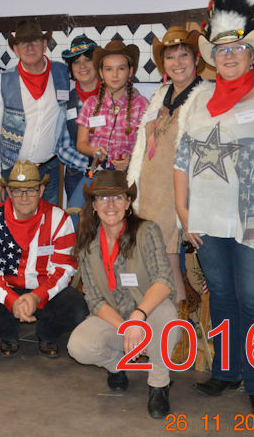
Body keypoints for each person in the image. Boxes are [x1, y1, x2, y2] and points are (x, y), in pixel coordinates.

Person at [174, 0, 254, 415]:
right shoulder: (198, 99)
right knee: (220, 295)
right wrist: (184, 214)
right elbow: (181, 160)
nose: (229, 56)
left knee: (253, 297)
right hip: (206, 216)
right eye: (222, 49)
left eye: (237, 48)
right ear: (213, 55)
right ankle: (226, 371)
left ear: (251, 53)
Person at [67, 170, 178, 419]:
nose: (111, 205)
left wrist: (138, 317)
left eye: (118, 198)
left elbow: (164, 280)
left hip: (150, 313)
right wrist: (125, 326)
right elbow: (94, 299)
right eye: (103, 199)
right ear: (94, 205)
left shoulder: (147, 232)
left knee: (167, 315)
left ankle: (158, 385)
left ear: (128, 203)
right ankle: (117, 364)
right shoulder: (87, 242)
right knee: (79, 346)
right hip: (116, 318)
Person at [127, 26, 212, 303]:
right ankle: (157, 318)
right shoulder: (160, 94)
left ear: (196, 59)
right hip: (149, 189)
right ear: (163, 63)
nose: (177, 63)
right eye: (171, 57)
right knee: (151, 258)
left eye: (183, 56)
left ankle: (180, 324)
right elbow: (143, 144)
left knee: (170, 261)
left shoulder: (205, 95)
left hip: (178, 190)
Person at [0, 160, 88, 358]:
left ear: (42, 190)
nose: (24, 197)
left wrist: (36, 296)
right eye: (17, 191)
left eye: (31, 190)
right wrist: (12, 300)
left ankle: (46, 333)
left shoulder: (59, 218)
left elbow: (64, 269)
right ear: (8, 192)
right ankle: (9, 332)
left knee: (79, 310)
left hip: (45, 289)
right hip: (8, 287)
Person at [0, 20, 69, 206]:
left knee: (47, 225)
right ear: (16, 49)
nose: (30, 47)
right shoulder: (2, 82)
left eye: (35, 41)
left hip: (49, 171)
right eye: (23, 43)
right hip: (12, 171)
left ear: (45, 45)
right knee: (13, 228)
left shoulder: (62, 73)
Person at [72, 40, 149, 210]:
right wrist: (94, 150)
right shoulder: (91, 105)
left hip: (128, 175)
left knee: (128, 216)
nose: (115, 75)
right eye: (109, 69)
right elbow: (81, 144)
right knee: (75, 213)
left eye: (121, 68)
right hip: (97, 172)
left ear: (130, 72)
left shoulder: (142, 105)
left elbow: (148, 145)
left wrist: (130, 159)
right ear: (101, 72)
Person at [56, 35, 99, 212]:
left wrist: (103, 167)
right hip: (77, 174)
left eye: (88, 60)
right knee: (78, 226)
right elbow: (61, 146)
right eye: (76, 62)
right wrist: (90, 165)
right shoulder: (67, 101)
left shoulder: (113, 96)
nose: (82, 66)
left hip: (111, 175)